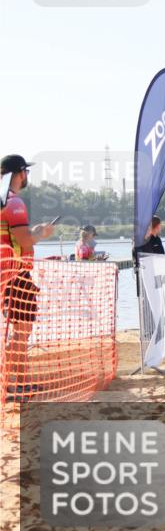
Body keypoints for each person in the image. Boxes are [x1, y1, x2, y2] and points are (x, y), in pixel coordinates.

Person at [1, 154, 54, 399]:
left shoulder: (4, 201)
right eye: (26, 173)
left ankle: (20, 382)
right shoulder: (14, 202)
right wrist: (41, 233)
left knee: (20, 331)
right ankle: (10, 384)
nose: (27, 177)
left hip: (9, 274)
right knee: (21, 332)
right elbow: (24, 239)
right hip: (17, 274)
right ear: (20, 173)